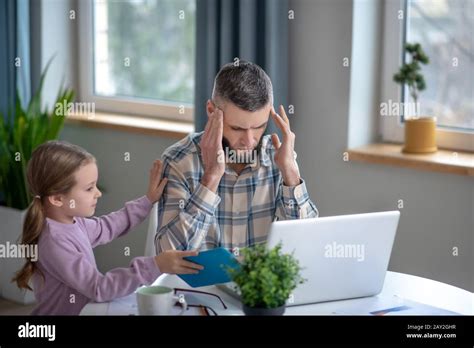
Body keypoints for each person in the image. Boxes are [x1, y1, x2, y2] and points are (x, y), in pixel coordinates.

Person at [12, 140, 203, 315]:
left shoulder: (73, 222)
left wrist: (147, 201)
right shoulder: (55, 242)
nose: (98, 193)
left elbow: (109, 226)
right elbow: (98, 288)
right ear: (57, 199)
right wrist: (155, 265)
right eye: (89, 188)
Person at [156, 61, 318, 253]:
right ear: (211, 111)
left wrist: (290, 173)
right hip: (198, 284)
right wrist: (210, 179)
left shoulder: (280, 159)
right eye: (237, 128)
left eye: (259, 127)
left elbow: (306, 247)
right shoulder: (179, 161)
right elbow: (168, 254)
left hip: (260, 283)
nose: (249, 141)